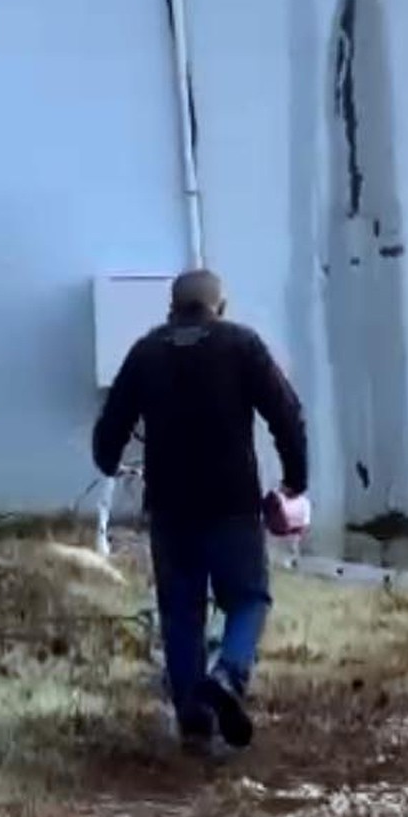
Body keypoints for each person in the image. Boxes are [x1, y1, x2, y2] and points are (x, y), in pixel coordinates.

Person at [92, 269, 307, 759]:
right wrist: (296, 477)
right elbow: (286, 413)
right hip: (232, 503)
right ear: (220, 306)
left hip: (170, 507)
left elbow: (112, 426)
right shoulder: (241, 345)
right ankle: (228, 673)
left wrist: (107, 458)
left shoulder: (146, 352)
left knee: (180, 610)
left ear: (173, 308)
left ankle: (193, 718)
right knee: (249, 598)